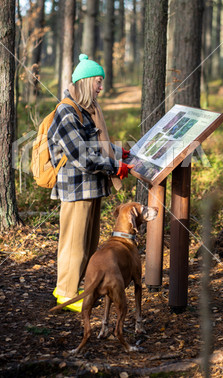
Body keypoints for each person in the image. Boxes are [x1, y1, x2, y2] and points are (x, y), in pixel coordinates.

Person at [48, 54, 132, 312]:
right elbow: (81, 155)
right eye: (98, 81)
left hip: (92, 187)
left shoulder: (89, 110)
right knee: (74, 243)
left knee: (88, 242)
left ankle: (78, 288)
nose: (101, 87)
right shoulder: (67, 111)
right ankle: (65, 293)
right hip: (76, 188)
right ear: (84, 81)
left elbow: (96, 147)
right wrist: (114, 166)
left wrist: (119, 154)